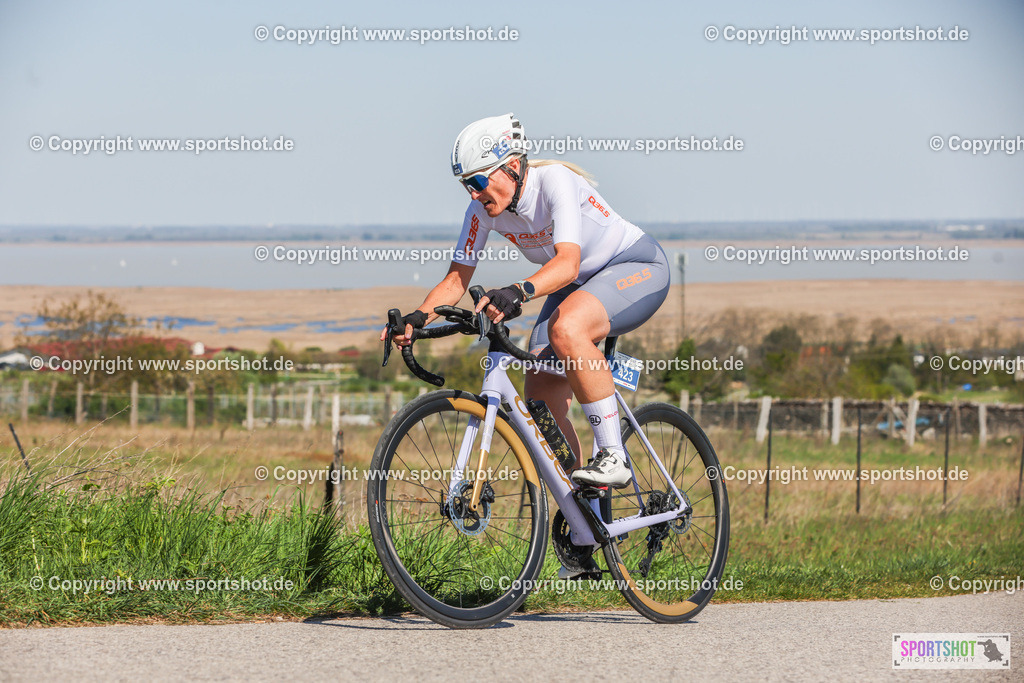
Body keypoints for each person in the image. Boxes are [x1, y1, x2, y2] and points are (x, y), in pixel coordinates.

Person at [382, 112, 670, 493]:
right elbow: (455, 280)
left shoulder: (554, 182)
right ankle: (583, 507)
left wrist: (518, 291)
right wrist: (418, 318)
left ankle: (614, 455)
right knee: (539, 391)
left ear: (512, 167)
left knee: (567, 328)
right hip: (577, 284)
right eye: (466, 185)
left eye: (478, 181)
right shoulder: (481, 212)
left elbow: (568, 263)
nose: (473, 194)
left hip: (635, 266)